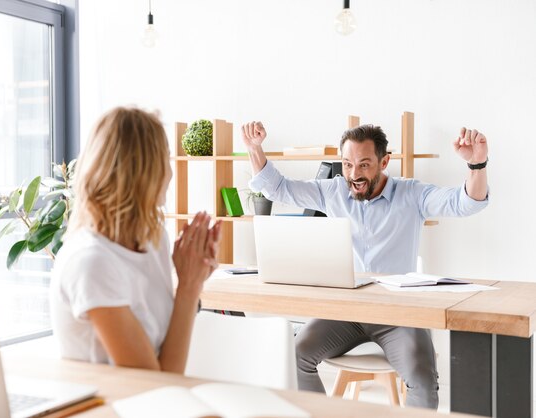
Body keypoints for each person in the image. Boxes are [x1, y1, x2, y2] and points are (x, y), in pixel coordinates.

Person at [241, 121, 489, 408]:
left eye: (364, 165)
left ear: (385, 161)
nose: (353, 174)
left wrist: (477, 165)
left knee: (422, 380)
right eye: (347, 164)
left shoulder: (412, 194)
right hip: (345, 311)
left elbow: (466, 202)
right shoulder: (332, 191)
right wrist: (254, 149)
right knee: (294, 356)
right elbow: (277, 188)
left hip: (398, 316)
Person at [51, 107, 222, 373]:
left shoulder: (154, 240)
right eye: (165, 159)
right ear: (144, 172)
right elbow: (154, 383)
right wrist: (189, 287)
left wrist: (194, 280)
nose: (170, 173)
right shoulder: (92, 263)